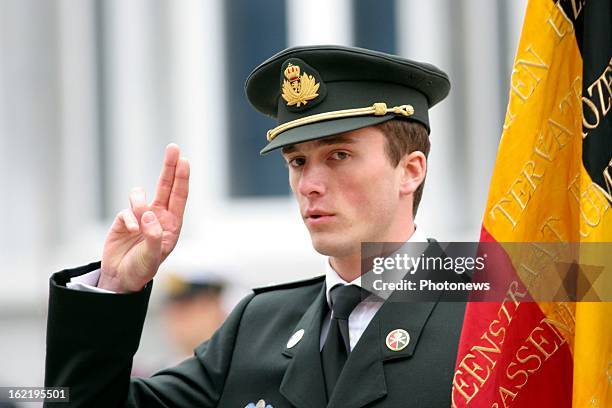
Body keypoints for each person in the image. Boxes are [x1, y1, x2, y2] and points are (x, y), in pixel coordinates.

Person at [44, 45, 466, 407]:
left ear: (410, 170)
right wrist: (115, 288)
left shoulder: (492, 309)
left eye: (339, 155)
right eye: (297, 161)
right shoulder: (259, 324)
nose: (310, 185)